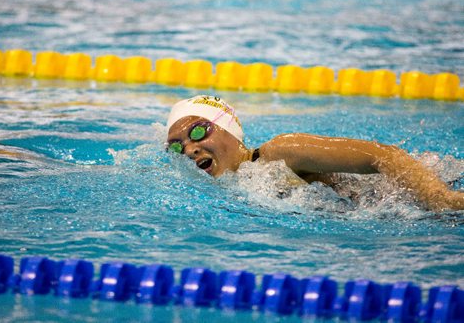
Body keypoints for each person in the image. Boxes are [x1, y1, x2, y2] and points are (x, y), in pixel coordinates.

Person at [166, 95, 464, 211]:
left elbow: (383, 155)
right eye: (177, 146)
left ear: (230, 130)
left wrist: (440, 198)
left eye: (198, 131)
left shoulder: (279, 153)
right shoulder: (236, 187)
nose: (190, 148)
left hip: (410, 199)